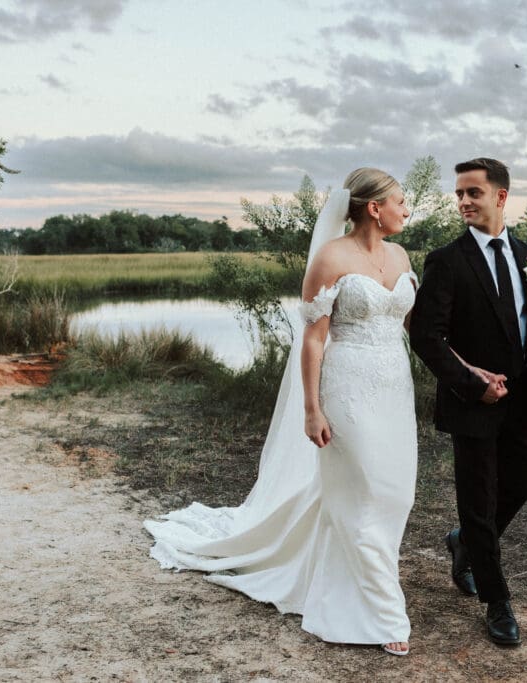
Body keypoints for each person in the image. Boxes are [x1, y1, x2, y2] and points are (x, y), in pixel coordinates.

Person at [145, 168, 418, 656]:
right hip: (348, 388)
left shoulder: (400, 255)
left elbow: (418, 329)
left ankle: (352, 583)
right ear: (374, 207)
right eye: (401, 201)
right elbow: (313, 339)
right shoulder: (330, 258)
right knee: (362, 490)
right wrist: (312, 410)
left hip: (396, 391)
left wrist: (468, 368)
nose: (406, 210)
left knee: (395, 496)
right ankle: (384, 613)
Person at [408, 157, 527, 646]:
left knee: (522, 482)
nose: (463, 201)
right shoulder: (447, 259)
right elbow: (427, 336)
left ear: (500, 197)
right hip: (472, 401)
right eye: (459, 193)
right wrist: (469, 382)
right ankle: (497, 599)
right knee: (477, 499)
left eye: (473, 193)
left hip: (524, 397)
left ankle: (465, 542)